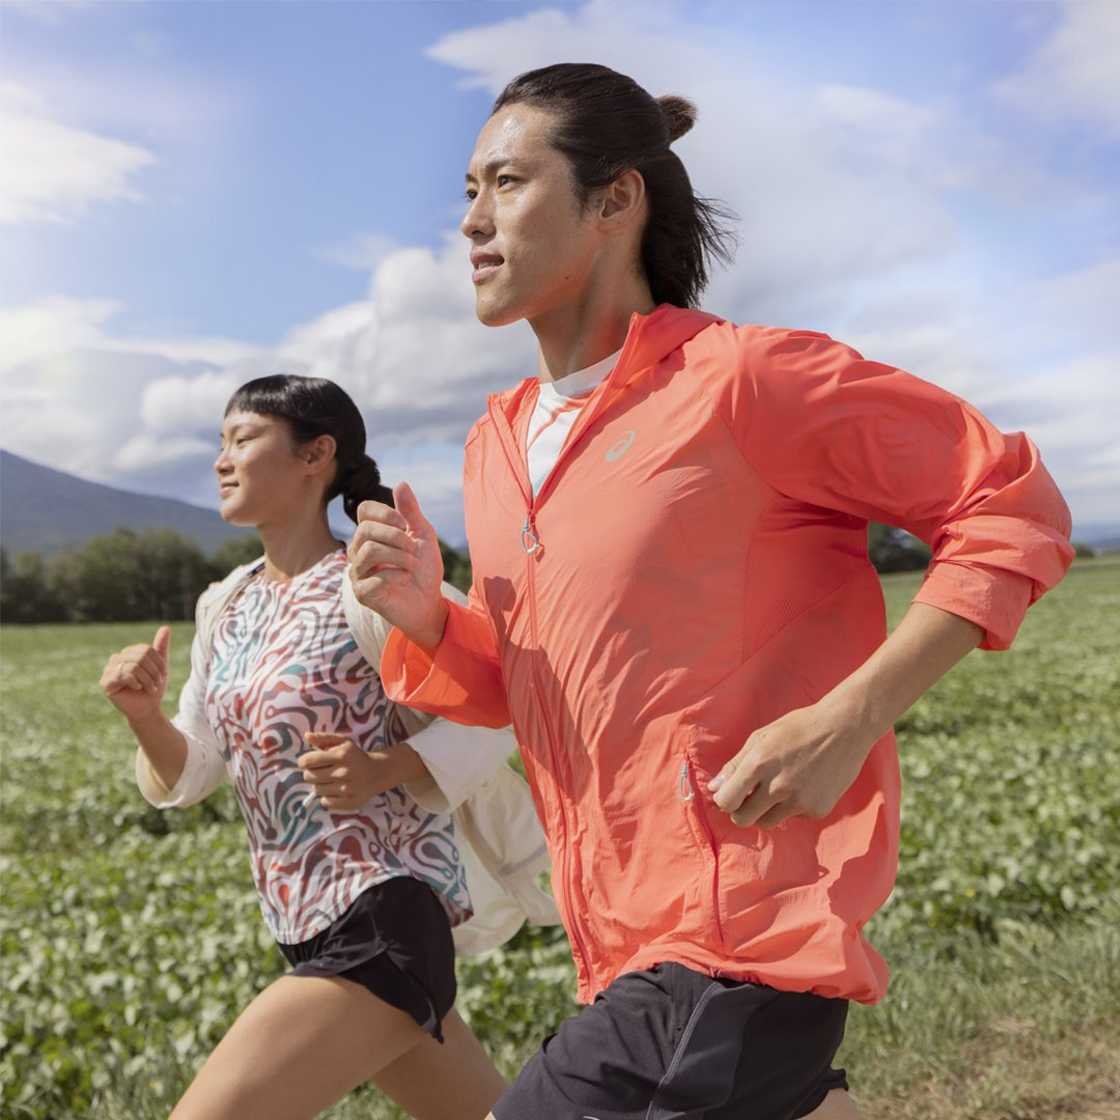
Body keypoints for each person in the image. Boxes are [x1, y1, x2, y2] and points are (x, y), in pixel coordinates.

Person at [347, 63, 1074, 1120]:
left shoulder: (742, 381)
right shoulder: (492, 450)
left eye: (505, 182)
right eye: (467, 190)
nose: (470, 220)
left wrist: (849, 716)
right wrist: (427, 615)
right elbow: (533, 683)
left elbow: (1011, 503)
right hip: (622, 942)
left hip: (741, 934)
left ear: (614, 201)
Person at [99, 374, 557, 1120]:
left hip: (384, 915)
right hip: (299, 923)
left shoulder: (375, 582)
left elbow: (498, 699)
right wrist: (144, 716)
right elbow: (197, 768)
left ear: (316, 456)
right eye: (220, 442)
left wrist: (388, 767)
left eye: (243, 439)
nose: (222, 459)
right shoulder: (225, 604)